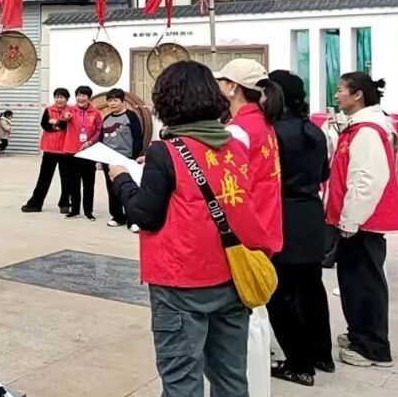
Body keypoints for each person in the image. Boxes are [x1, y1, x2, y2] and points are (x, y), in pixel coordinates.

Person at [107, 61, 273, 397]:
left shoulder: (165, 151)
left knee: (182, 380)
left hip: (181, 283)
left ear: (166, 102)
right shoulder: (234, 145)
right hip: (233, 276)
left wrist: (121, 179)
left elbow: (145, 215)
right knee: (231, 378)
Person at [325, 72, 398, 367]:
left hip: (362, 223)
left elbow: (366, 179)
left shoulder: (368, 131)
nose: (337, 95)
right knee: (354, 283)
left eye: (341, 90)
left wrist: (351, 219)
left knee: (365, 285)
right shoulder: (356, 127)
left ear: (358, 95)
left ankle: (372, 346)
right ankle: (359, 334)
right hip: (355, 221)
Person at [215, 58, 284, 395]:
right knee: (256, 315)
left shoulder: (239, 131)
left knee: (245, 323)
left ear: (233, 88)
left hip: (246, 232)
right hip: (265, 226)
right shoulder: (263, 125)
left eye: (222, 82)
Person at [264, 70, 334, 386]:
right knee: (312, 289)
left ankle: (299, 364)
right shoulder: (314, 131)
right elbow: (323, 173)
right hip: (310, 214)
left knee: (281, 294)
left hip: (284, 214)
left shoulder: (273, 133)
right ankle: (321, 354)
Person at [98, 88, 144, 230]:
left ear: (123, 101)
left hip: (126, 158)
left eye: (115, 100)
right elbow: (101, 139)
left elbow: (138, 138)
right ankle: (117, 217)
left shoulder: (131, 117)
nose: (112, 103)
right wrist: (100, 159)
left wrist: (134, 158)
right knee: (112, 189)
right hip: (108, 159)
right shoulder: (107, 118)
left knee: (128, 189)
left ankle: (133, 220)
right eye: (110, 100)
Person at [22, 88, 72, 213]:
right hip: (49, 149)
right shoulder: (49, 109)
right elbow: (45, 125)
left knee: (67, 178)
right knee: (44, 178)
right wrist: (58, 124)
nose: (59, 100)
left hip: (65, 149)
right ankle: (36, 203)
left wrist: (54, 123)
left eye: (62, 97)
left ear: (67, 99)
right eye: (57, 97)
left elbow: (67, 126)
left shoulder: (71, 111)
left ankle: (65, 204)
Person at [61, 86, 103, 220]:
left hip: (89, 152)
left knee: (88, 183)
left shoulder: (95, 113)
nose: (80, 98)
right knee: (73, 182)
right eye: (78, 95)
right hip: (72, 152)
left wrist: (90, 142)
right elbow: (63, 118)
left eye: (84, 95)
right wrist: (65, 117)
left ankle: (88, 211)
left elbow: (100, 130)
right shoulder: (70, 110)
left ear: (89, 97)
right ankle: (74, 210)